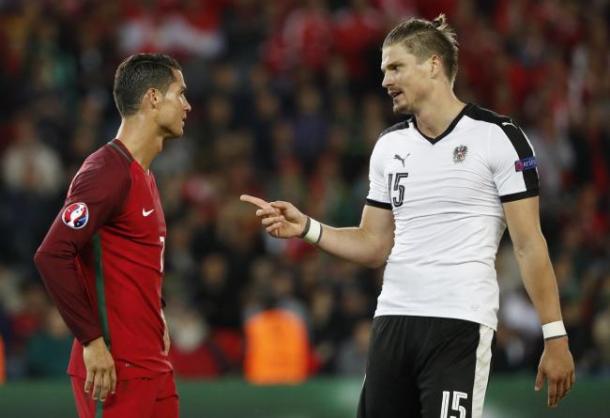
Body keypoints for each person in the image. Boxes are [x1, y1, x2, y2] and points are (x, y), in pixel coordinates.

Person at [241, 14, 575, 418]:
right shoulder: (388, 146)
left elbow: (528, 244)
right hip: (393, 319)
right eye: (384, 70)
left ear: (433, 64)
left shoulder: (499, 138)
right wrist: (307, 228)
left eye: (395, 67)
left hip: (459, 323)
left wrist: (554, 335)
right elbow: (373, 244)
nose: (385, 81)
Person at [34, 53, 191, 418]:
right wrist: (91, 341)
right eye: (179, 94)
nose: (187, 104)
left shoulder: (143, 174)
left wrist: (158, 313)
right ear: (153, 98)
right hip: (114, 371)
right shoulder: (106, 172)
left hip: (152, 363)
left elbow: (131, 261)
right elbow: (52, 254)